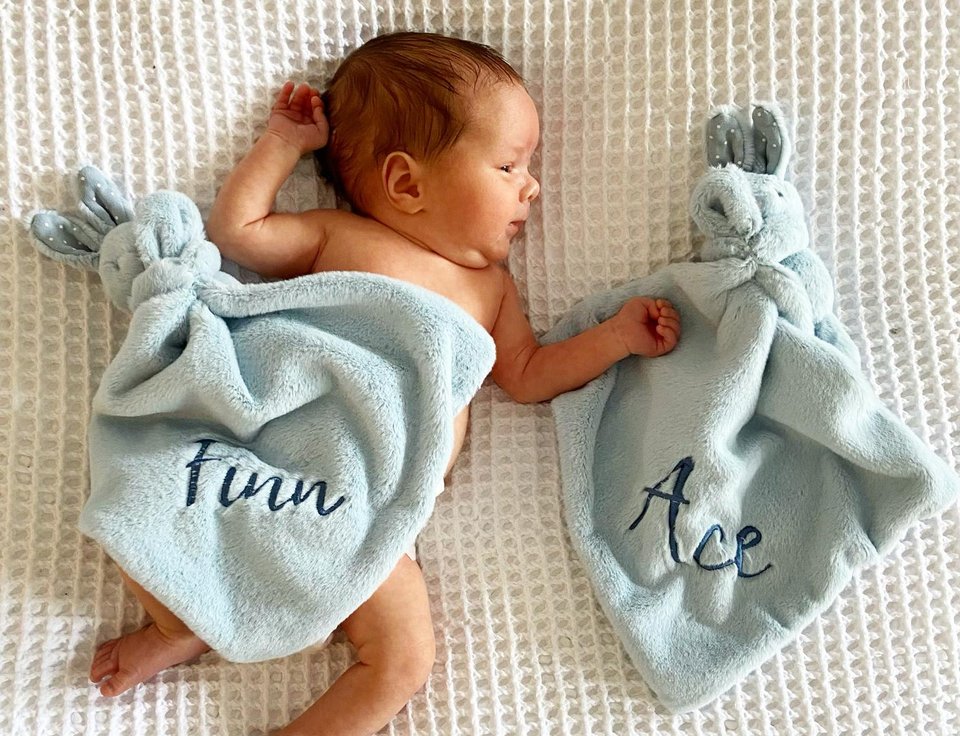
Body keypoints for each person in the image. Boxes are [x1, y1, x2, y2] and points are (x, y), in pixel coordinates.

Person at [90, 31, 681, 736]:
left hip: (369, 509)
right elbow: (238, 231)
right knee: (143, 505)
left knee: (404, 660)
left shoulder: (491, 291)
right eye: (508, 164)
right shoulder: (339, 237)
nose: (534, 186)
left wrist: (614, 337)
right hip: (276, 451)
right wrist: (283, 141)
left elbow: (527, 376)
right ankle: (178, 624)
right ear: (406, 183)